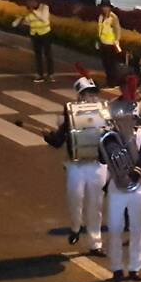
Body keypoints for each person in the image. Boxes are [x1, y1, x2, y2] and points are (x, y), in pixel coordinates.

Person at [42, 67, 108, 254]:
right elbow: (58, 141)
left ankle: (96, 243)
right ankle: (76, 227)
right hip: (76, 165)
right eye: (87, 94)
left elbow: (111, 139)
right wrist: (48, 136)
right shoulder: (70, 116)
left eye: (93, 94)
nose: (91, 98)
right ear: (80, 97)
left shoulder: (104, 114)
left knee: (95, 205)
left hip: (96, 165)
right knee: (75, 198)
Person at [102, 78, 141, 282]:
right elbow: (103, 158)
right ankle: (115, 266)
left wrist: (134, 174)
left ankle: (134, 266)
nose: (127, 121)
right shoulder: (111, 136)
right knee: (114, 227)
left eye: (131, 118)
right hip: (117, 186)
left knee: (137, 228)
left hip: (138, 186)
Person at [13, 0, 53, 82]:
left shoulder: (44, 8)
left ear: (36, 1)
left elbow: (43, 18)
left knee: (48, 54)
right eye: (28, 2)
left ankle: (50, 74)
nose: (30, 4)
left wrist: (33, 11)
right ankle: (40, 75)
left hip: (45, 34)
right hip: (35, 35)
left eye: (31, 2)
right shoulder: (28, 11)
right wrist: (21, 20)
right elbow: (27, 21)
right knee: (38, 55)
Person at [96, 0, 123, 87]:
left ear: (109, 8)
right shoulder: (100, 16)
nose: (105, 9)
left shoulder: (113, 17)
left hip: (111, 44)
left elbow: (117, 30)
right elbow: (99, 29)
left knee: (111, 64)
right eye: (103, 7)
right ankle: (109, 80)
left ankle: (113, 82)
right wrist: (98, 40)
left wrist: (117, 40)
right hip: (103, 43)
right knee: (105, 64)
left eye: (106, 7)